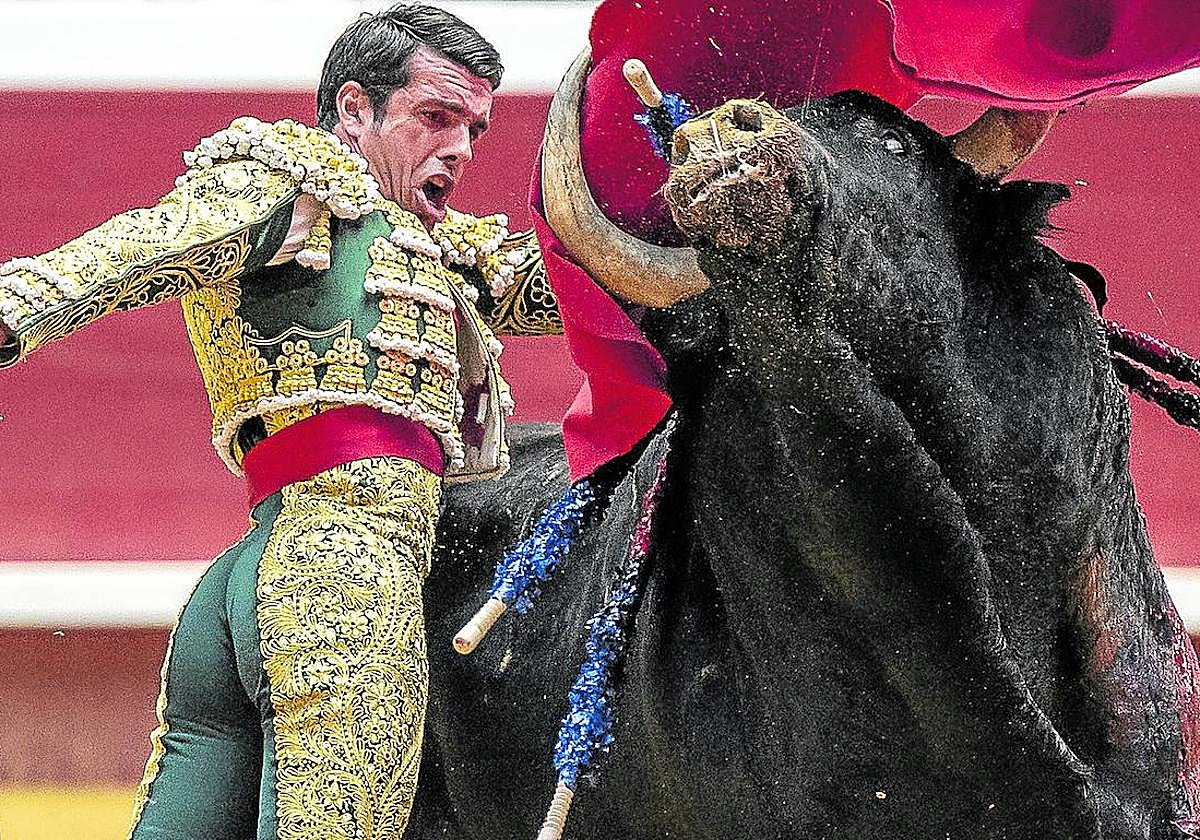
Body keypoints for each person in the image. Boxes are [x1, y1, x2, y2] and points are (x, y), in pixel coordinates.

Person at [0, 4, 557, 838]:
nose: (461, 149)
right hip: (343, 584)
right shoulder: (295, 183)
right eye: (435, 118)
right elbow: (147, 246)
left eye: (474, 128)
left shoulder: (435, 247)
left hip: (251, 582)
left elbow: (573, 286)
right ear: (355, 109)